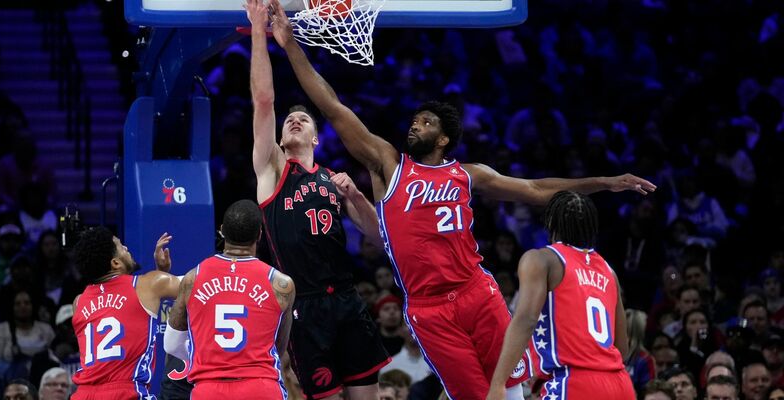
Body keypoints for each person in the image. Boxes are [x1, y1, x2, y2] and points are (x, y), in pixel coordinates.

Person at [267, 1, 656, 398]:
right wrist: (289, 44)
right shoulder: (388, 164)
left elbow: (537, 189)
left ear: (443, 138)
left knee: (512, 389)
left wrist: (604, 182)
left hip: (477, 291)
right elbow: (332, 106)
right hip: (429, 308)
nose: (414, 124)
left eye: (426, 122)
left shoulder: (468, 174)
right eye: (414, 120)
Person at [246, 1, 390, 399]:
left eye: (304, 119)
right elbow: (263, 101)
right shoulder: (272, 170)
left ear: (316, 139)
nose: (295, 119)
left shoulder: (333, 180)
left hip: (346, 299)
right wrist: (260, 32)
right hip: (305, 306)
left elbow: (380, 240)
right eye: (289, 119)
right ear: (278, 139)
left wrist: (357, 197)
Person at [486, 191, 633, 400]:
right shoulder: (609, 272)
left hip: (572, 382)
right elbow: (622, 348)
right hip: (619, 383)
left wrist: (498, 383)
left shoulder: (541, 259)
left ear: (550, 223)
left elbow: (526, 319)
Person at [164, 200, 295, 399]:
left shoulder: (193, 278)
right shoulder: (282, 284)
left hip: (209, 389)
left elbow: (172, 344)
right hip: (260, 388)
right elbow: (278, 346)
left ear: (223, 231)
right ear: (260, 234)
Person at [70, 229, 178, 400]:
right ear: (116, 263)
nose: (126, 248)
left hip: (84, 394)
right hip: (126, 392)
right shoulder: (147, 284)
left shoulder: (79, 302)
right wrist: (161, 274)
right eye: (121, 246)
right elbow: (193, 287)